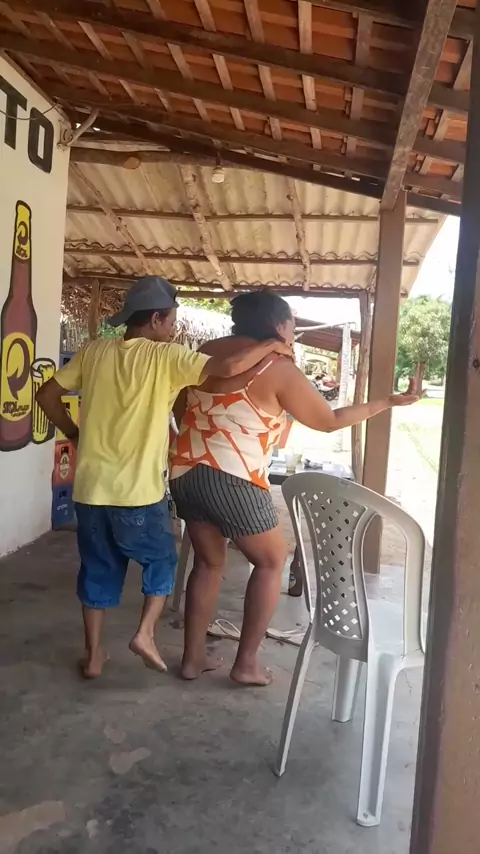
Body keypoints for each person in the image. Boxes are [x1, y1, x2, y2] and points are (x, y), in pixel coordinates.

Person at [36, 277, 292, 679]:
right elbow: (227, 367)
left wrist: (73, 433)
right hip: (138, 491)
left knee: (98, 570)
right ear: (155, 319)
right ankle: (145, 633)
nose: (173, 329)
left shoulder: (94, 351)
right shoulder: (166, 357)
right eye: (171, 320)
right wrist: (272, 345)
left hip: (89, 489)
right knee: (162, 562)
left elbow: (46, 395)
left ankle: (94, 656)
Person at [169, 291, 420, 686]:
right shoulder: (277, 367)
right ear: (277, 325)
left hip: (186, 471)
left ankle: (192, 659)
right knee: (271, 561)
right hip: (233, 476)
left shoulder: (206, 352)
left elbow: (181, 407)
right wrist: (386, 402)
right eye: (291, 324)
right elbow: (329, 420)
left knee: (208, 563)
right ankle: (246, 664)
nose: (293, 332)